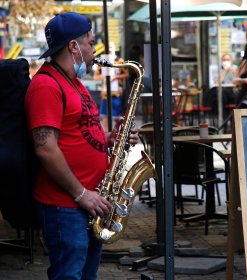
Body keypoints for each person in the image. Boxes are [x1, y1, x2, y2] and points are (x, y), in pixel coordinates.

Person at [24, 12, 139, 279]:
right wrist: (81, 194)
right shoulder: (46, 86)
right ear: (73, 46)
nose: (94, 49)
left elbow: (81, 133)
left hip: (90, 203)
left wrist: (113, 138)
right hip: (66, 205)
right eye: (90, 41)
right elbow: (45, 148)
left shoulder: (74, 83)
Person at [94, 53, 128, 132]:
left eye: (111, 47)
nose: (109, 50)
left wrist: (116, 77)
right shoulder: (102, 62)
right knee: (104, 115)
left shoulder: (120, 61)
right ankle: (107, 133)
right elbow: (95, 76)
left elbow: (126, 74)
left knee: (117, 116)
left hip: (116, 93)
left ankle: (118, 134)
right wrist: (104, 76)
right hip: (105, 94)